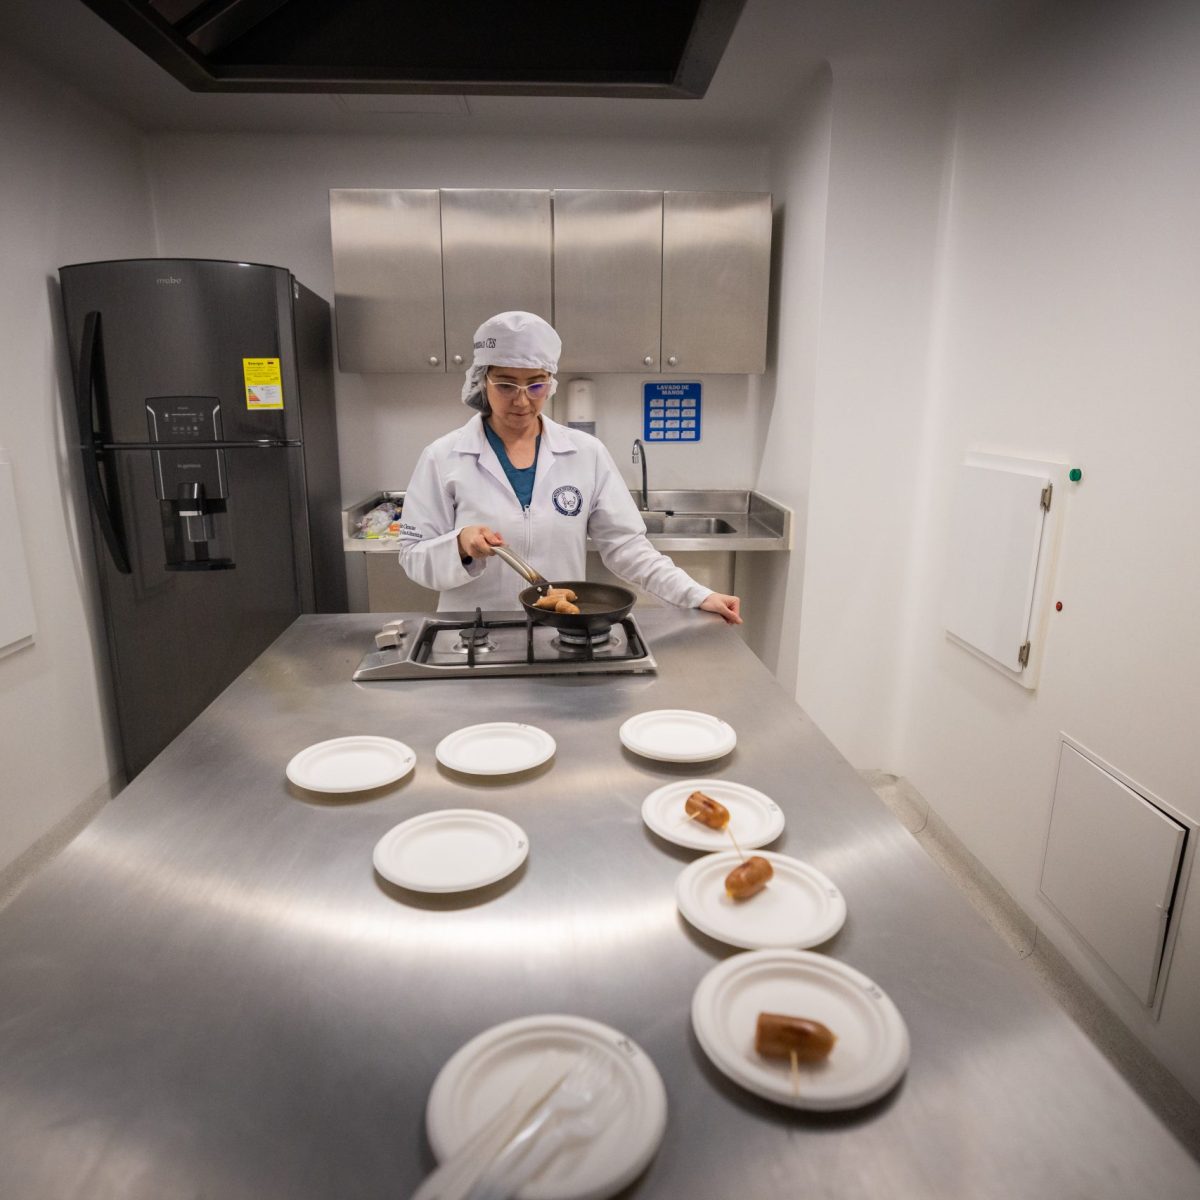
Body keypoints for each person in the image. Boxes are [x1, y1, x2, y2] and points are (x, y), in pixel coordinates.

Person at [398, 311, 742, 624]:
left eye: (535, 384)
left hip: (559, 633)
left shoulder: (585, 454)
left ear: (551, 382)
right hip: (472, 635)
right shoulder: (443, 457)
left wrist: (698, 594)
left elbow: (627, 548)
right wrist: (459, 544)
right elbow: (413, 556)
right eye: (505, 385)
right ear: (481, 381)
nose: (522, 400)